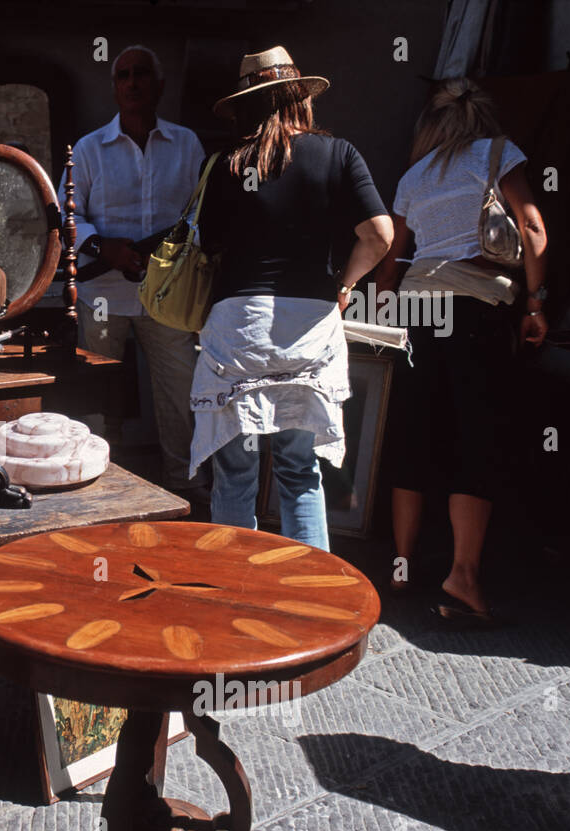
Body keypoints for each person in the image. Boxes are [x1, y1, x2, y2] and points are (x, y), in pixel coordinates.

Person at [189, 46, 393, 551]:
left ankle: (233, 594)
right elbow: (380, 236)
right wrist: (344, 286)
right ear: (301, 97)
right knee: (300, 472)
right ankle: (311, 602)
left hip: (240, 326)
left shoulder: (228, 164)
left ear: (246, 104)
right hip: (310, 324)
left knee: (235, 475)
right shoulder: (339, 154)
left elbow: (208, 245)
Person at [375, 78, 548, 623]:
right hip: (476, 308)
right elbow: (534, 230)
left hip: (417, 312)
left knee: (413, 430)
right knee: (477, 437)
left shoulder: (413, 176)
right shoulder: (499, 154)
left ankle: (402, 564)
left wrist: (381, 313)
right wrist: (537, 303)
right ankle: (463, 577)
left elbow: (391, 256)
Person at [65, 44, 207, 501]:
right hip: (102, 292)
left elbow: (199, 214)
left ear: (159, 85)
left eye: (141, 74)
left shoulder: (185, 144)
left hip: (166, 294)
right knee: (97, 393)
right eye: (122, 75)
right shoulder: (89, 149)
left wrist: (163, 253)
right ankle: (96, 487)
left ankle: (185, 488)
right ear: (114, 87)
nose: (132, 83)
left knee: (179, 391)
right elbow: (65, 216)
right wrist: (102, 246)